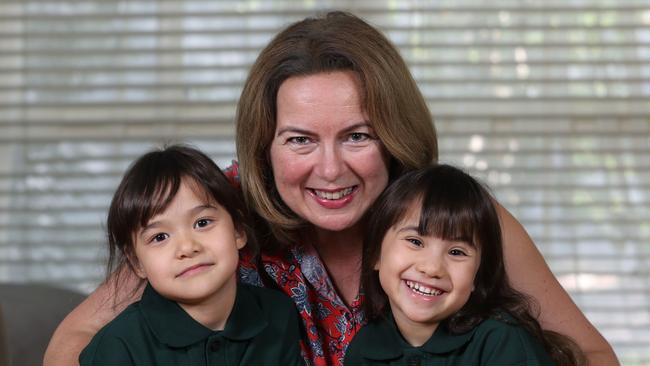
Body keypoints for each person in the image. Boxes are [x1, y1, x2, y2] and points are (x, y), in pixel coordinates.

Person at [45, 11, 618, 366]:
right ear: (263, 146)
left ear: (395, 136)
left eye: (357, 136)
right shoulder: (210, 214)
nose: (330, 169)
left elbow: (594, 356)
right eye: (299, 140)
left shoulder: (453, 221)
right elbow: (74, 342)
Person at [78, 145, 303, 365]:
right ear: (137, 263)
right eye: (160, 237)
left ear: (238, 230)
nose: (187, 247)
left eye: (202, 223)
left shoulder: (278, 316)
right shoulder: (119, 346)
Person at [345, 164, 584, 365]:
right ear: (376, 253)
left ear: (477, 276)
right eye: (415, 241)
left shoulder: (501, 341)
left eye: (457, 252)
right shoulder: (365, 347)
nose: (432, 268)